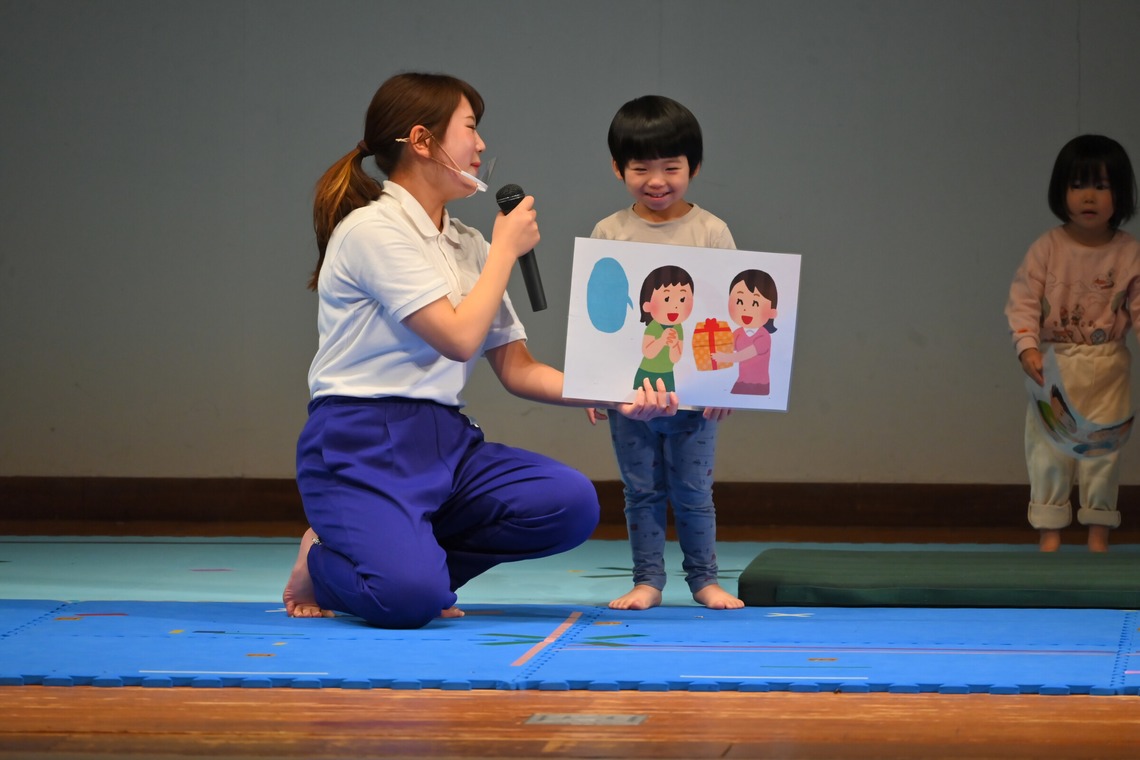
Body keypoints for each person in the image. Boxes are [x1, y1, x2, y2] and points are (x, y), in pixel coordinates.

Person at [282, 73, 679, 629]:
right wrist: (505, 252)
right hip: (360, 441)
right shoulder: (372, 230)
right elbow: (457, 336)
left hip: (443, 439)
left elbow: (518, 369)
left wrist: (616, 394)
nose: (481, 144)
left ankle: (411, 563)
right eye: (470, 128)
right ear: (422, 141)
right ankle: (324, 559)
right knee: (408, 603)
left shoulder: (466, 242)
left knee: (569, 503)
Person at [587, 95, 743, 610]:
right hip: (630, 397)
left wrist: (722, 384)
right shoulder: (609, 231)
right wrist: (593, 384)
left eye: (671, 167)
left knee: (695, 490)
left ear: (693, 167)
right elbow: (600, 318)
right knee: (641, 491)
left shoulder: (710, 231)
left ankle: (704, 581)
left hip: (695, 397)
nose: (657, 180)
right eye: (641, 168)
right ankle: (648, 581)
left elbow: (725, 310)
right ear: (618, 168)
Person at [1005, 134, 1140, 552]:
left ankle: (1098, 531)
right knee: (1049, 449)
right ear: (1061, 190)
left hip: (1109, 364)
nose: (1089, 197)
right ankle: (1050, 531)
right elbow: (1023, 299)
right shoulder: (1047, 248)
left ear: (1120, 194)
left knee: (1104, 450)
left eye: (1102, 186)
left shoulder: (1129, 251)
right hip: (1056, 364)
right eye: (1079, 185)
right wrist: (1027, 345)